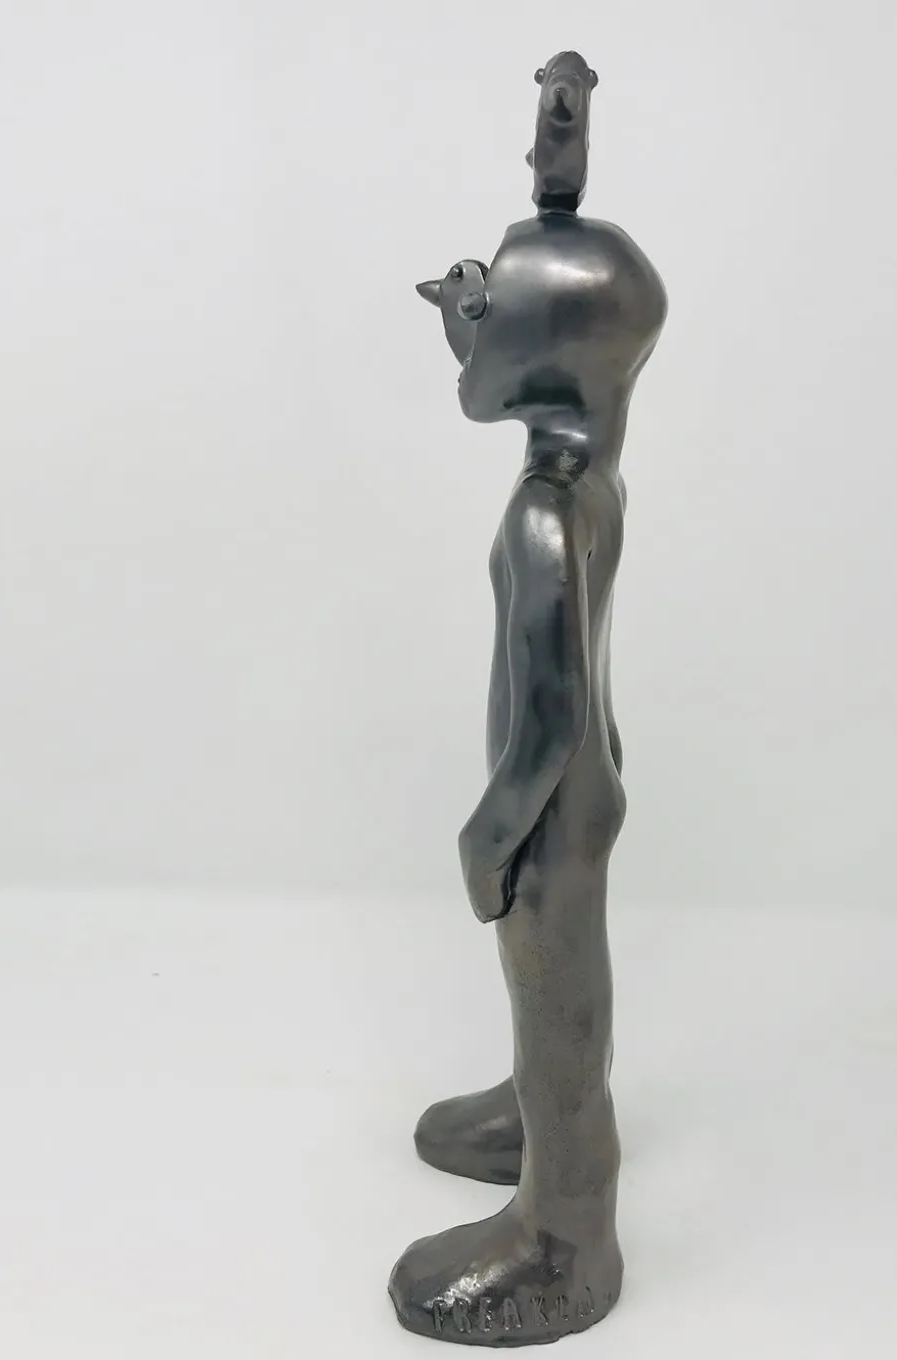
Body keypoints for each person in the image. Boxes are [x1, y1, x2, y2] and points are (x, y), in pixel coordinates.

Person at [391, 192, 667, 1345]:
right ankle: (532, 1111)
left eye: (485, 317)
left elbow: (547, 719)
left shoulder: (545, 515)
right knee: (556, 984)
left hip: (547, 807)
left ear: (545, 359)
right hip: (581, 793)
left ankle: (566, 1229)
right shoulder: (593, 479)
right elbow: (581, 689)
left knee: (552, 977)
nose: (462, 329)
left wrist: (488, 834)